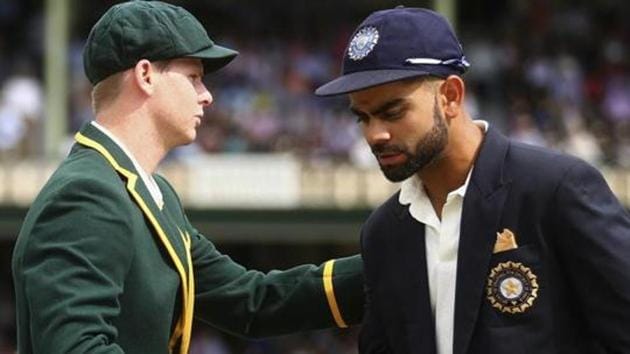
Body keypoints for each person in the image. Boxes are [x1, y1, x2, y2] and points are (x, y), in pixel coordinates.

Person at [11, 2, 364, 353]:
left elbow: (251, 301)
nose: (207, 95)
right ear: (145, 75)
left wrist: (390, 263)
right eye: (193, 77)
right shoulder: (86, 193)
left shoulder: (148, 190)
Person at [316, 7, 630, 354]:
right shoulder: (383, 232)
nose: (375, 134)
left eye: (393, 112)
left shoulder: (554, 189)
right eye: (362, 118)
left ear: (450, 96)